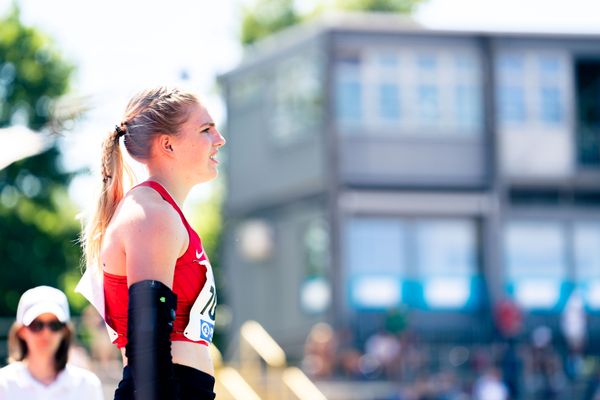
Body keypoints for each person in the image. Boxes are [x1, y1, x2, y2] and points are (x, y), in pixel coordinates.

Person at [76, 86, 225, 400]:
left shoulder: (158, 211)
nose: (219, 139)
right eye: (206, 129)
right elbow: (148, 348)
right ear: (168, 144)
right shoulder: (151, 215)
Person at [0, 286, 103, 400]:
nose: (46, 333)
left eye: (54, 325)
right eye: (36, 325)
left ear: (65, 331)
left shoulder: (87, 386)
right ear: (21, 331)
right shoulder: (3, 385)